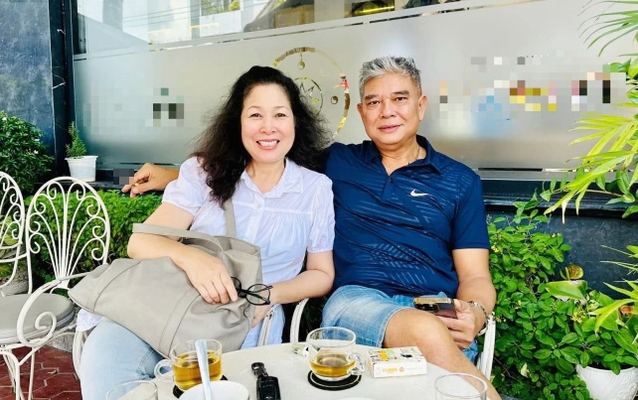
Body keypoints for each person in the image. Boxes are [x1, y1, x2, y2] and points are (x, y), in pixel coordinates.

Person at [122, 56, 499, 399]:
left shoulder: (459, 181)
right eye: (373, 102)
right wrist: (170, 175)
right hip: (358, 301)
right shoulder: (339, 162)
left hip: (431, 305)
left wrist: (476, 313)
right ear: (362, 112)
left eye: (399, 99)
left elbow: (475, 276)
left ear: (421, 105)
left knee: (430, 337)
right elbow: (260, 157)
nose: (386, 111)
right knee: (426, 332)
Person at [81, 65, 336, 400]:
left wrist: (268, 294)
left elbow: (321, 274)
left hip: (244, 321)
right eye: (255, 115)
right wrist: (192, 258)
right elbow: (140, 242)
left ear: (295, 122)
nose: (268, 127)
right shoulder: (203, 173)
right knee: (106, 362)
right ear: (237, 122)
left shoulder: (315, 189)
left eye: (280, 114)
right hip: (168, 302)